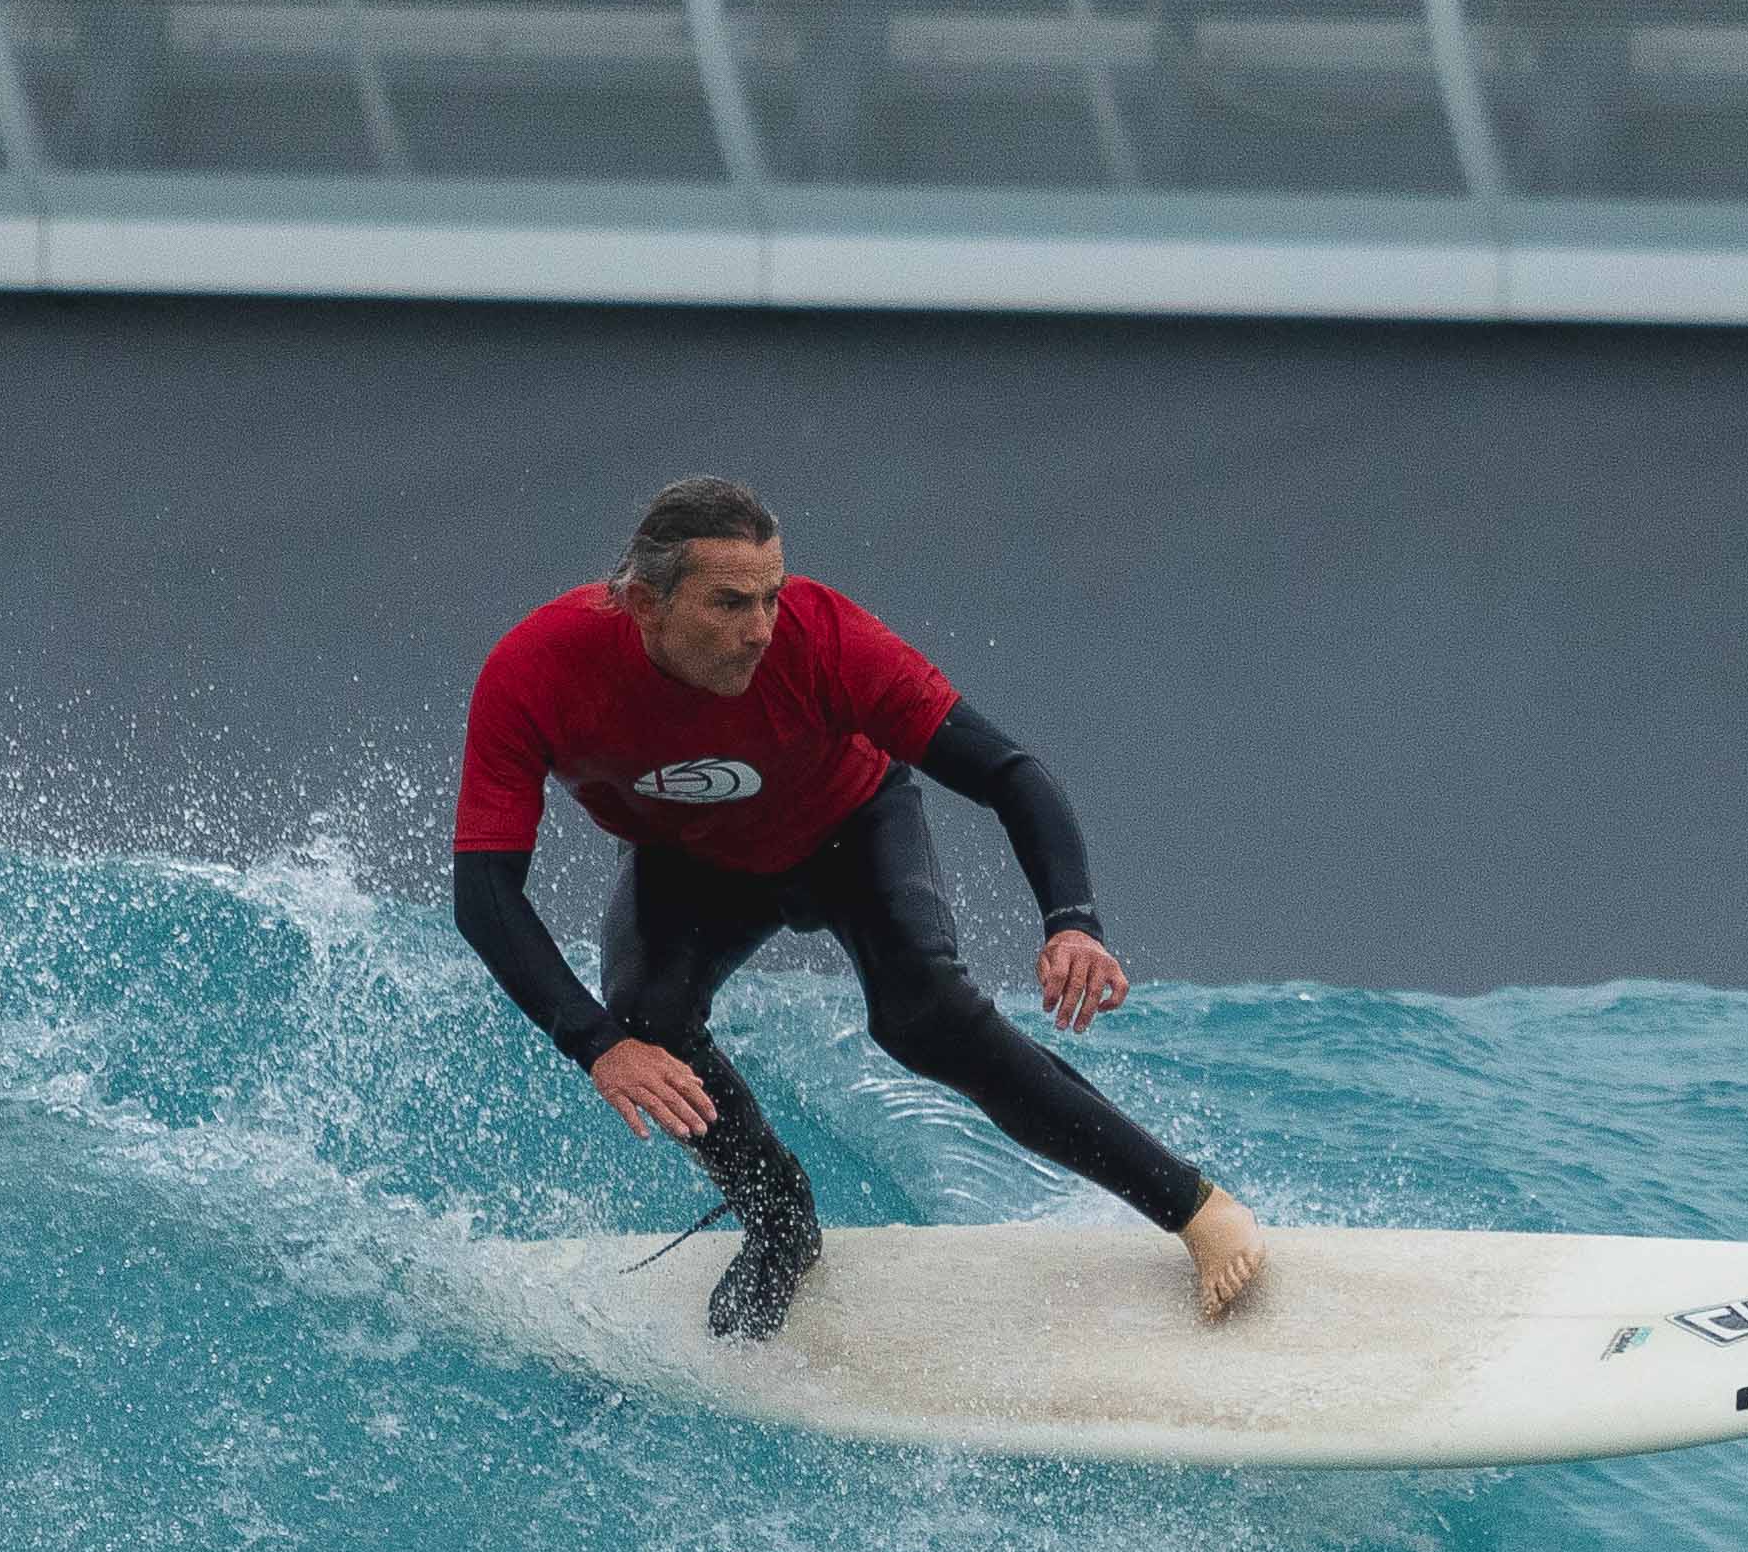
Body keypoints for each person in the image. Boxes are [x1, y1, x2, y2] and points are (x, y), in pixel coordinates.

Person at [447, 474, 1265, 1342]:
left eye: (770, 594)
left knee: (925, 1017)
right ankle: (780, 1223)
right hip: (689, 860)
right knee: (646, 1016)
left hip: (850, 829)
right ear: (646, 603)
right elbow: (484, 895)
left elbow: (1009, 772)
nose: (761, 628)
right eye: (730, 603)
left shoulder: (825, 638)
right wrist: (601, 1047)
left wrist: (1072, 920)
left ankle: (1198, 1208)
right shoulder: (534, 671)